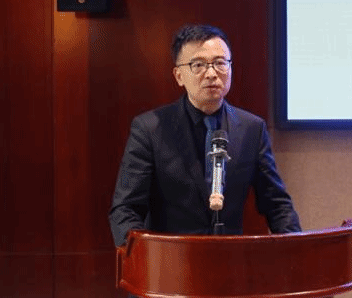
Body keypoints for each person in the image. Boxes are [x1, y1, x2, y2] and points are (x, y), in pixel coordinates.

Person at [109, 24, 301, 247]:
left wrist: (296, 250)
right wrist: (141, 255)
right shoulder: (150, 129)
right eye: (198, 65)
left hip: (231, 258)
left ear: (230, 68)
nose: (211, 74)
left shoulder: (252, 129)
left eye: (220, 63)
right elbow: (126, 209)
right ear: (179, 75)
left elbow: (276, 204)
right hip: (171, 259)